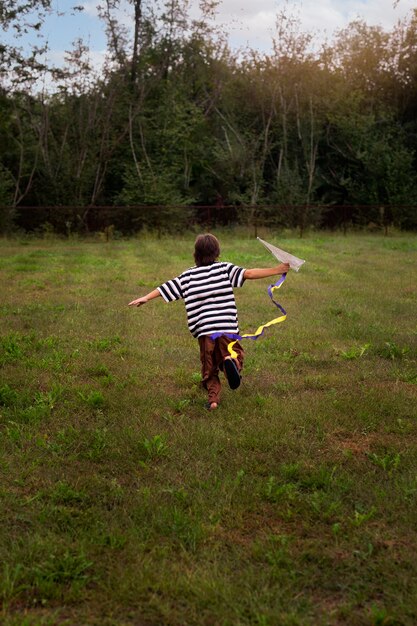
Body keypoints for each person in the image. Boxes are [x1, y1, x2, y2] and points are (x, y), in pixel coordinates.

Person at [128, 234, 289, 411]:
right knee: (234, 354)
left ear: (195, 254)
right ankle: (230, 363)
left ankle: (213, 400)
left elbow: (166, 287)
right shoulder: (224, 269)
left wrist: (145, 297)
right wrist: (277, 269)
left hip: (205, 330)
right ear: (217, 252)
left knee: (209, 366)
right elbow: (249, 273)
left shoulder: (188, 275)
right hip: (226, 327)